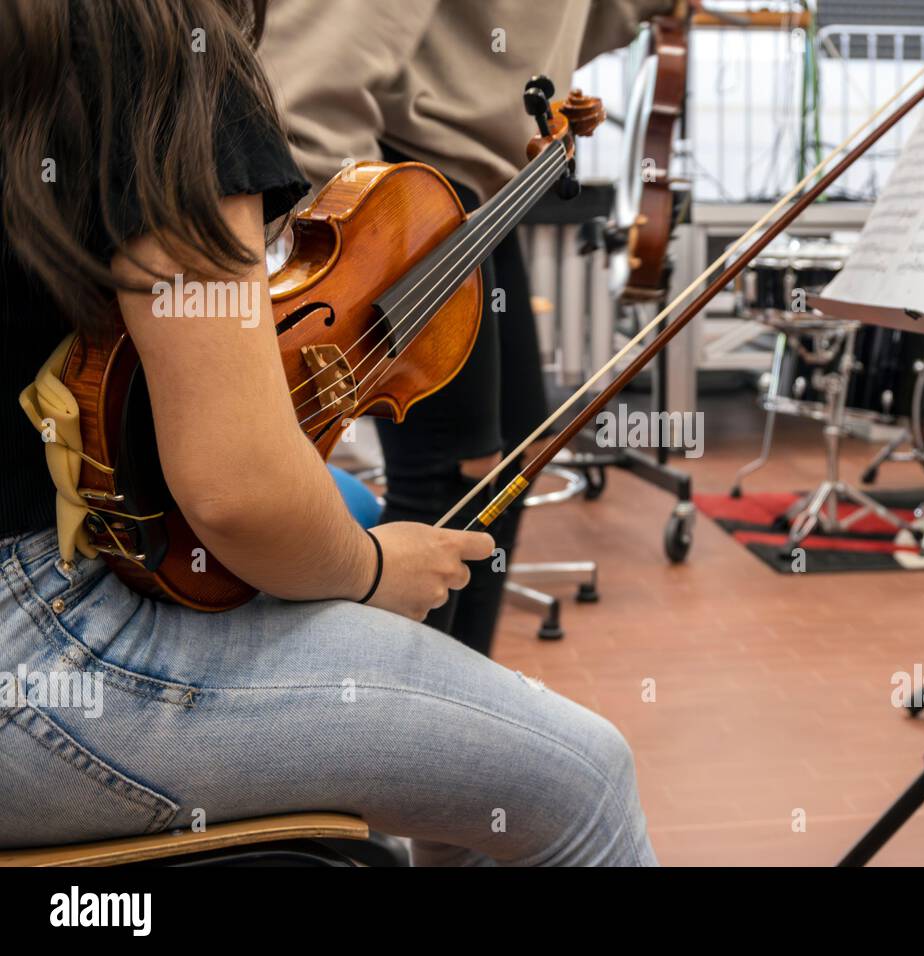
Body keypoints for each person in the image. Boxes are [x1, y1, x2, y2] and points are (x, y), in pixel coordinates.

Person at [0, 0, 655, 866]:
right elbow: (239, 491)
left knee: (347, 494)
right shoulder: (159, 49)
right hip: (34, 655)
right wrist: (373, 567)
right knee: (588, 778)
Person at [258, 0, 673, 657]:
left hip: (479, 198)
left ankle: (459, 696)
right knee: (454, 474)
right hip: (412, 186)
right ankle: (394, 729)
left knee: (509, 460)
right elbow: (308, 81)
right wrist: (364, 237)